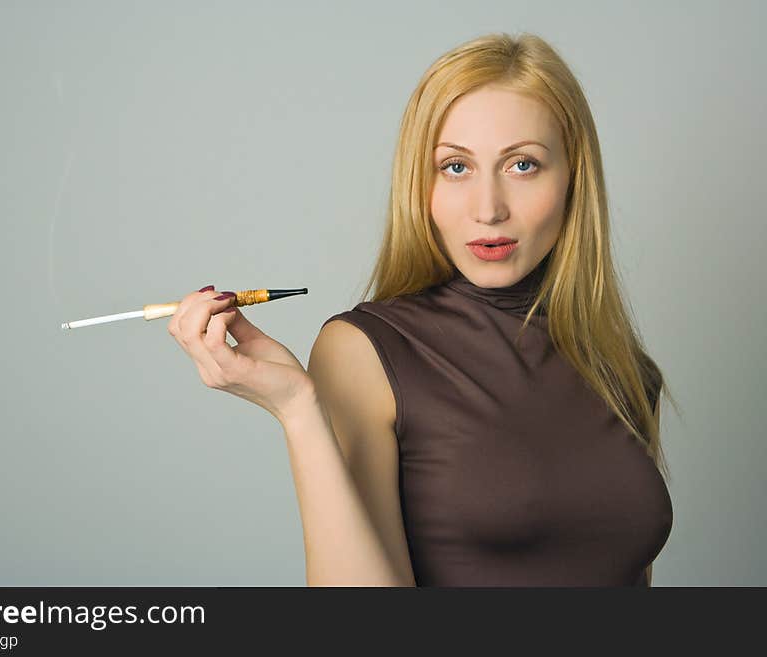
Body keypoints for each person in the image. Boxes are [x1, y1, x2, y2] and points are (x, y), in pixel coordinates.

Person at [167, 32, 679, 587]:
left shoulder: (619, 363)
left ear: (572, 178)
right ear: (421, 183)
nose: (488, 209)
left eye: (523, 165)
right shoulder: (365, 352)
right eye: (456, 167)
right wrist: (299, 410)